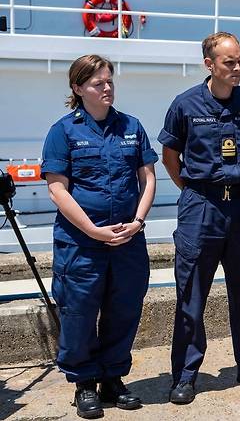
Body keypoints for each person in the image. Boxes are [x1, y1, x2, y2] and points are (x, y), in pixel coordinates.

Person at [159, 31, 240, 405]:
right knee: (191, 294)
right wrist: (197, 193)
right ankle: (187, 374)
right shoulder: (185, 104)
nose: (238, 67)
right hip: (202, 207)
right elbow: (170, 157)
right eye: (230, 62)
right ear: (209, 64)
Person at [41, 55, 158, 419]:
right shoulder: (63, 132)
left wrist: (138, 222)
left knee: (124, 310)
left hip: (127, 240)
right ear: (78, 89)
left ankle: (112, 378)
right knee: (79, 313)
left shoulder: (131, 126)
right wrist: (92, 230)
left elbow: (148, 178)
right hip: (82, 244)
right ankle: (84, 384)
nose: (106, 88)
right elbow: (57, 191)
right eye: (97, 83)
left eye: (109, 81)